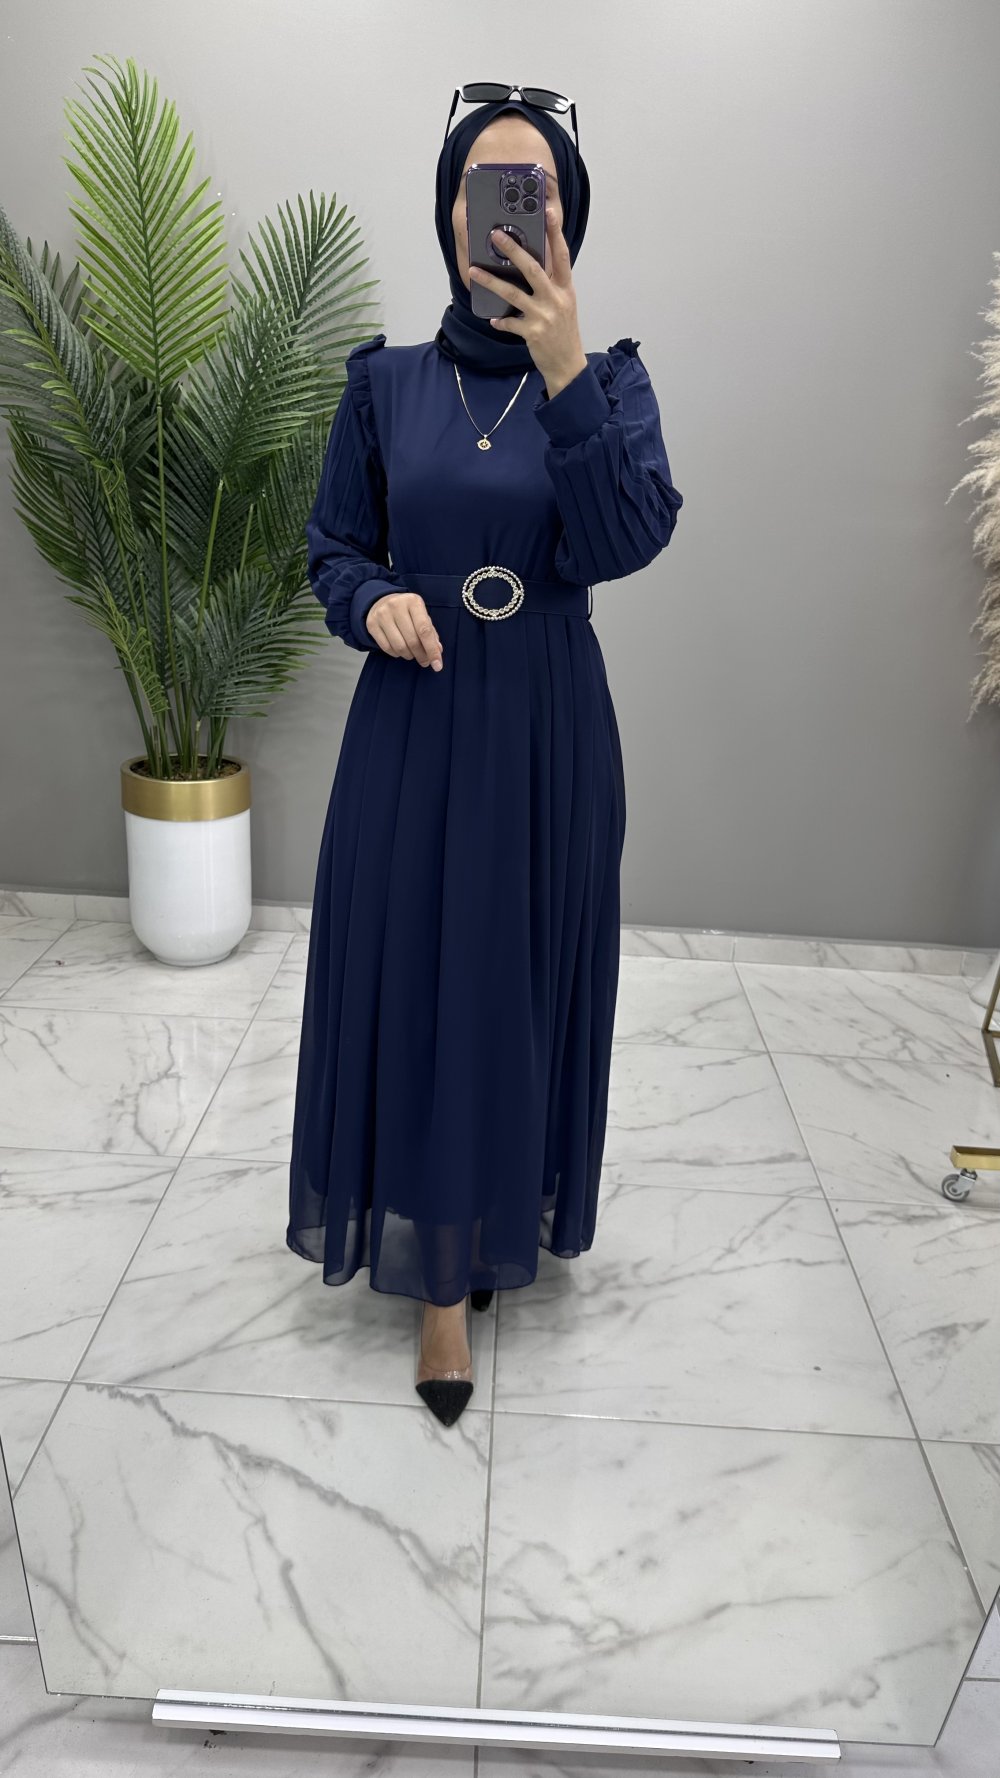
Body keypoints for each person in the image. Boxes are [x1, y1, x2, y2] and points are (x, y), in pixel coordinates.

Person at [286, 90, 683, 1428]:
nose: (513, 210)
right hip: (416, 716)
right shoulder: (385, 383)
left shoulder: (611, 383)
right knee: (421, 973)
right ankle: (440, 1290)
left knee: (519, 976)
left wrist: (564, 372)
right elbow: (332, 546)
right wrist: (370, 602)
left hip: (550, 723)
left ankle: (497, 1205)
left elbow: (623, 540)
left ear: (569, 217)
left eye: (539, 189)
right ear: (450, 211)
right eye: (487, 185)